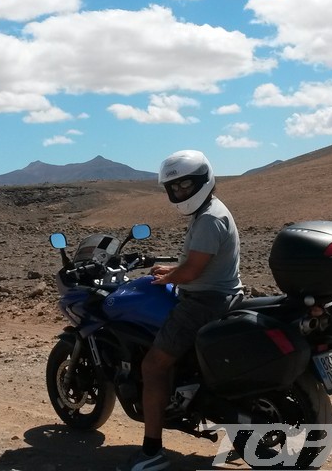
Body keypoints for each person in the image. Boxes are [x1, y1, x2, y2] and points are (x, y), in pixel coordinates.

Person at [118, 150, 244, 471]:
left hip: (204, 303)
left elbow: (190, 274)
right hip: (218, 295)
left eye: (185, 185)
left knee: (153, 366)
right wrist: (169, 269)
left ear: (203, 180)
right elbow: (197, 265)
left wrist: (171, 277)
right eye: (174, 188)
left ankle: (152, 452)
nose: (179, 193)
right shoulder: (209, 212)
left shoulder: (209, 218)